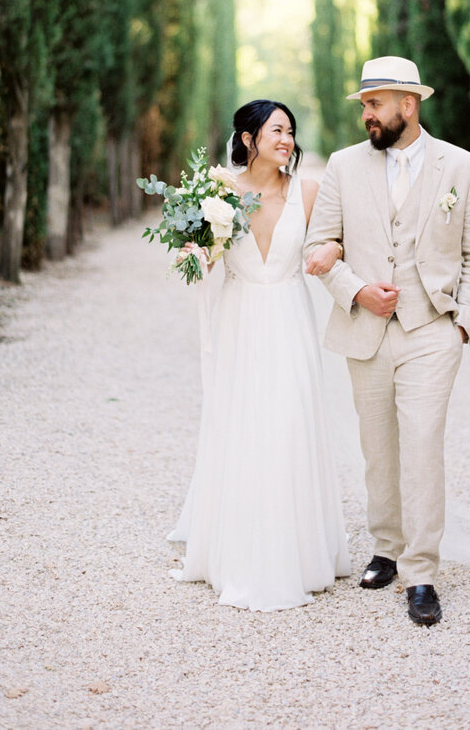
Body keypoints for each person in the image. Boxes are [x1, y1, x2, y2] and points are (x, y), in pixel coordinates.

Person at [304, 55, 470, 627]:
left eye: (374, 104)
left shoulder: (462, 168)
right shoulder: (342, 166)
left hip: (433, 332)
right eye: (364, 105)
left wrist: (464, 325)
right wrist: (357, 290)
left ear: (408, 106)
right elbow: (319, 244)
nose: (366, 114)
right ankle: (385, 546)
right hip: (366, 331)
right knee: (377, 448)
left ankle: (421, 572)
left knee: (420, 445)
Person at [168, 99, 350, 611]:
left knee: (291, 422)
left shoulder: (310, 192)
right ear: (248, 139)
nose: (286, 139)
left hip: (290, 319)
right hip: (241, 319)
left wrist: (334, 250)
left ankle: (301, 552)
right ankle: (241, 549)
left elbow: (335, 242)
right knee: (245, 425)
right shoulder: (218, 190)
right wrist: (196, 254)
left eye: (290, 131)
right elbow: (206, 257)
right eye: (276, 130)